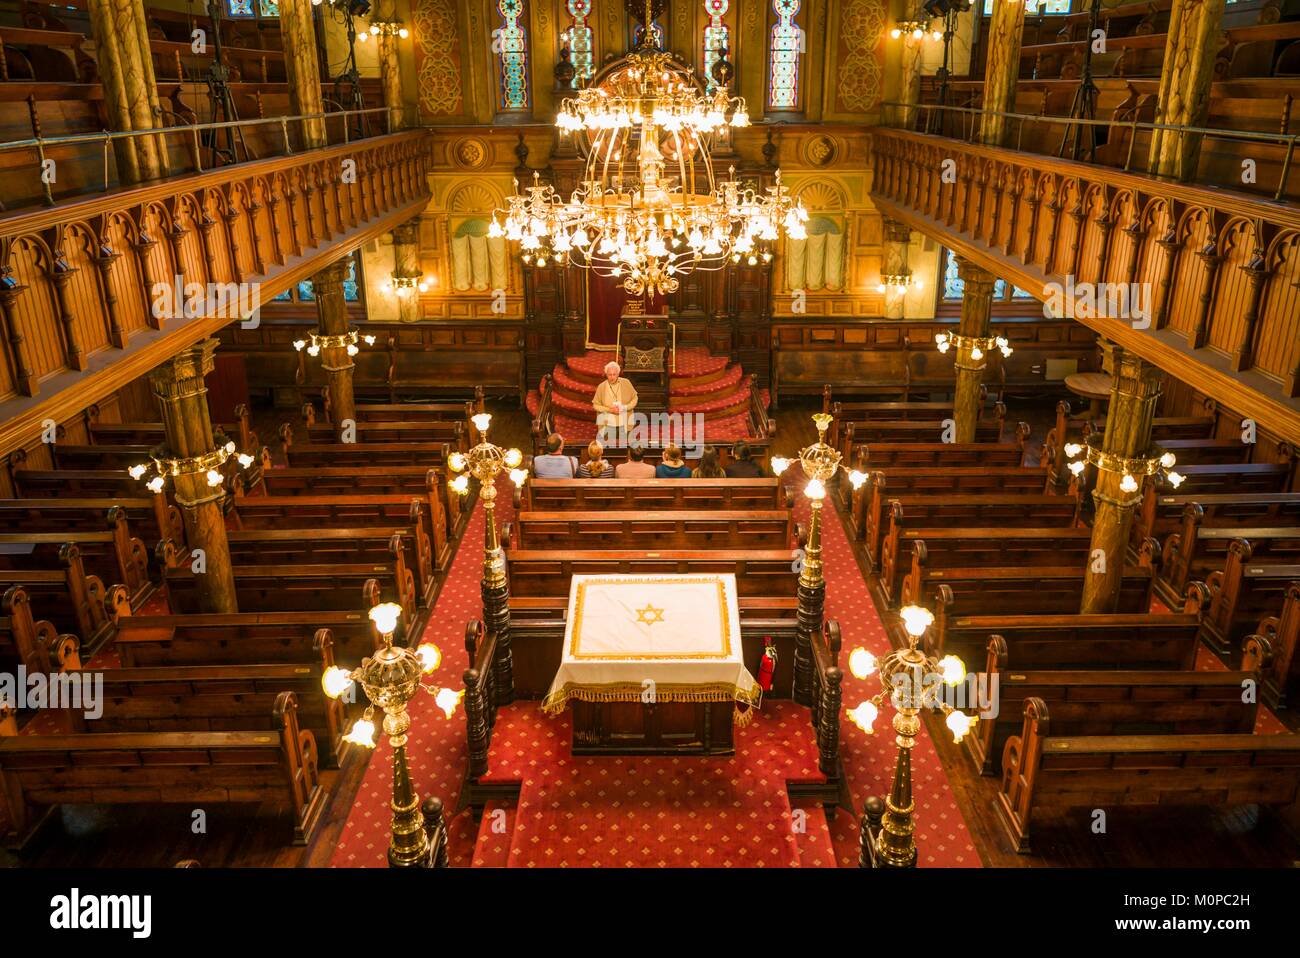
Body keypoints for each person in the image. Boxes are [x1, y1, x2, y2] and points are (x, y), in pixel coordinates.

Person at [592, 361, 638, 441]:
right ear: (606, 374)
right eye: (610, 374)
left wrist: (625, 407)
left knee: (626, 445)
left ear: (618, 374)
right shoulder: (601, 387)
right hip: (607, 424)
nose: (612, 377)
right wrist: (609, 410)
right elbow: (595, 405)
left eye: (614, 374)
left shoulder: (626, 383)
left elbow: (635, 398)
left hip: (625, 423)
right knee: (608, 447)